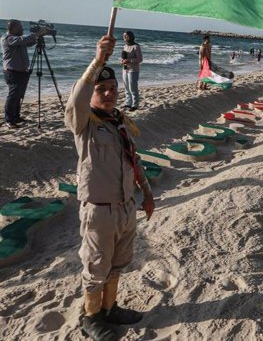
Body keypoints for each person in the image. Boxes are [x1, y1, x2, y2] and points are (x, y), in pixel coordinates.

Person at [65, 34, 155, 340]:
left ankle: (110, 307)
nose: (108, 94)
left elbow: (134, 160)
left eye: (113, 89)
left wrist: (147, 194)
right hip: (99, 212)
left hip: (125, 208)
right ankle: (91, 317)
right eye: (101, 89)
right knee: (95, 267)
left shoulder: (119, 121)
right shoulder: (84, 123)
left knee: (118, 263)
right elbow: (77, 96)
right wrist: (99, 61)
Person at [2, 20, 46, 128]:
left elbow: (27, 42)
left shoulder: (18, 40)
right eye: (20, 27)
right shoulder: (8, 38)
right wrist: (37, 34)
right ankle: (8, 119)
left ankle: (16, 117)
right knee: (13, 96)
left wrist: (37, 38)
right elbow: (23, 40)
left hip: (21, 71)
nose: (22, 29)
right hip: (12, 72)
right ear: (13, 28)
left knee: (18, 95)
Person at [120, 31, 143, 111]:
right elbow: (124, 57)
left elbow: (140, 59)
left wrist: (129, 60)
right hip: (125, 69)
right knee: (126, 87)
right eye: (123, 36)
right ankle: (128, 103)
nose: (124, 37)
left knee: (133, 87)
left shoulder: (136, 46)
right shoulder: (125, 46)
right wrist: (122, 61)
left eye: (126, 36)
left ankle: (135, 105)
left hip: (133, 70)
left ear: (130, 36)